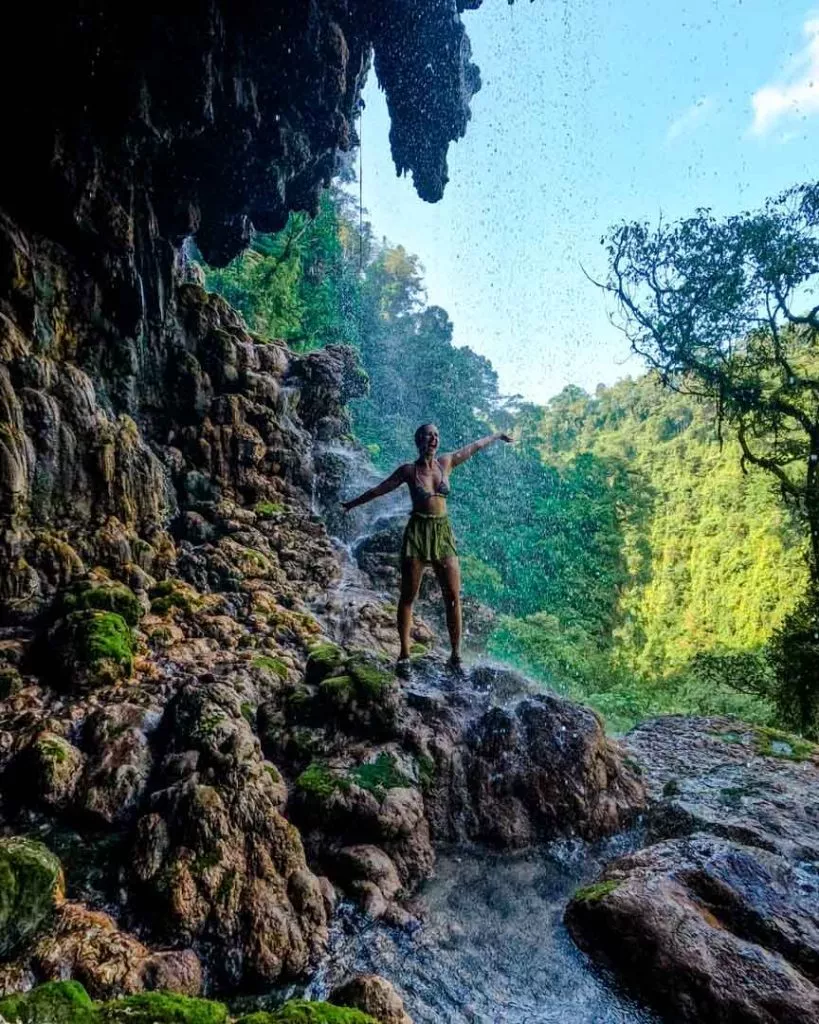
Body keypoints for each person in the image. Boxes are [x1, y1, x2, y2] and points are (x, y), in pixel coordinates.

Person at [341, 423, 513, 673]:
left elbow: (473, 448)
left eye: (436, 435)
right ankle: (404, 654)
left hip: (442, 533)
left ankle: (455, 657)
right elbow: (380, 489)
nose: (433, 439)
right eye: (428, 435)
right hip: (418, 533)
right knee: (409, 595)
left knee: (453, 597)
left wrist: (497, 435)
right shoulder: (409, 471)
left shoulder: (446, 463)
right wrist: (351, 505)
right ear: (418, 441)